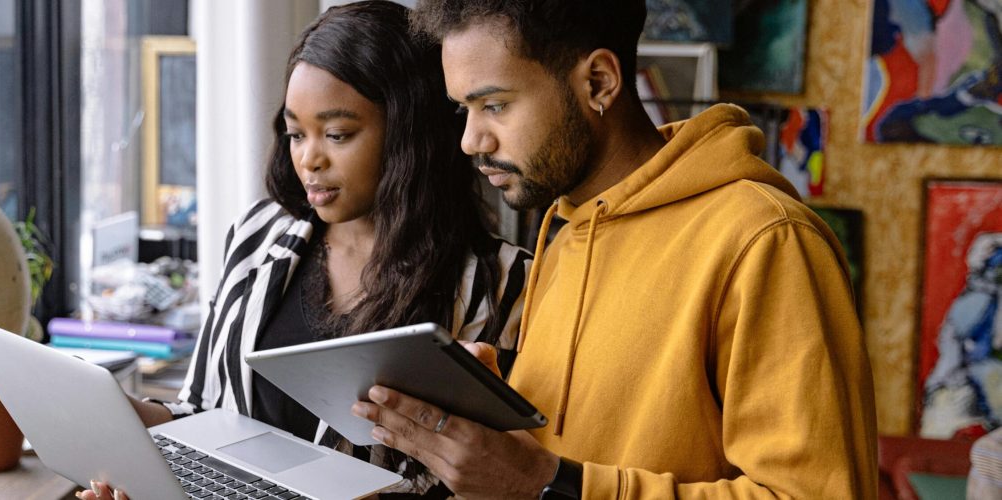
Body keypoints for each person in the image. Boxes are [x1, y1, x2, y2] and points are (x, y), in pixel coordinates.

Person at [351, 1, 878, 498]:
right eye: (463, 109)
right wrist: (494, 427)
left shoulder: (767, 240)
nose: (471, 140)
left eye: (495, 105)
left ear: (598, 82)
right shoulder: (564, 234)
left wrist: (543, 484)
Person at [79, 2, 531, 498]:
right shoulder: (261, 234)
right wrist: (126, 420)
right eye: (296, 134)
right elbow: (203, 413)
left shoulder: (497, 282)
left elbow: (481, 474)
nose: (308, 158)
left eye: (337, 134)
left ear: (410, 133)